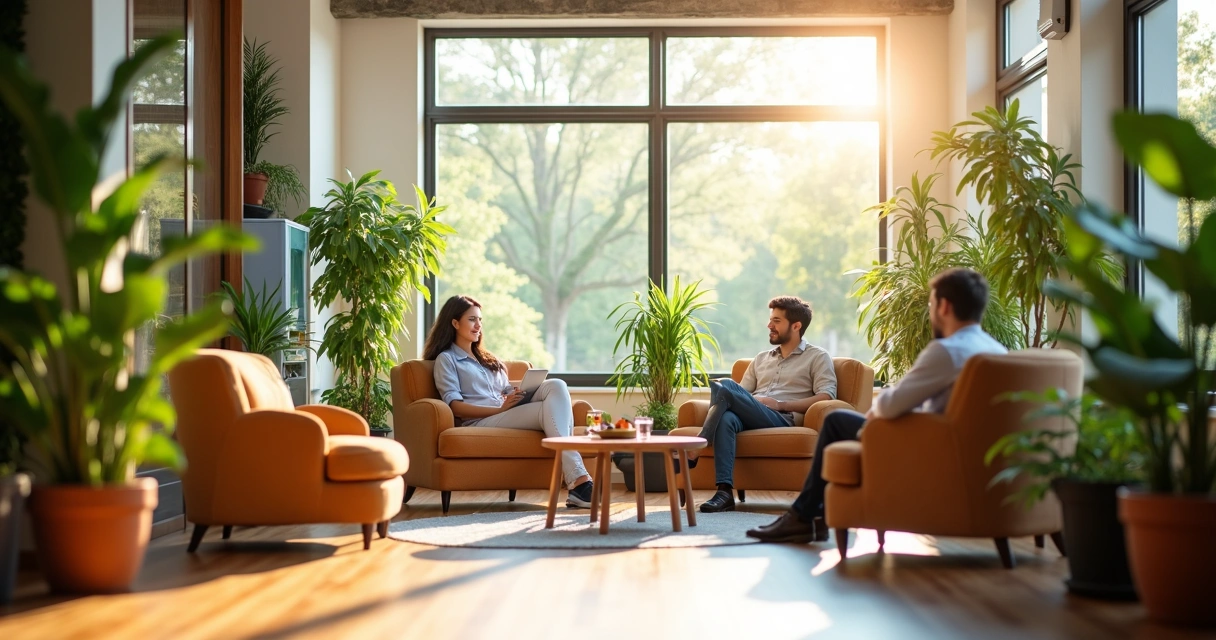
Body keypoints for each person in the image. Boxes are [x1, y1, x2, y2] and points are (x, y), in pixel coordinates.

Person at [747, 268, 1008, 543]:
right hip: (964, 449)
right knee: (844, 421)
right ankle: (809, 517)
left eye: (931, 304)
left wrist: (877, 412)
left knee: (837, 421)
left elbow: (892, 405)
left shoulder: (946, 351)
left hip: (931, 446)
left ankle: (802, 517)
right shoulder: (995, 350)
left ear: (944, 306)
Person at [425, 295, 595, 508]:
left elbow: (504, 390)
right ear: (455, 323)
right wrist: (499, 408)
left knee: (557, 385)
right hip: (480, 421)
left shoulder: (489, 359)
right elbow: (455, 407)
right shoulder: (447, 359)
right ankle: (579, 481)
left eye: (480, 320)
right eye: (472, 320)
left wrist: (516, 393)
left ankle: (578, 483)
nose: (478, 325)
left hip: (504, 412)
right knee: (547, 410)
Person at [692, 296, 838, 513]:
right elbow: (735, 394)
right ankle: (724, 492)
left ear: (796, 326)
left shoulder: (817, 357)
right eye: (770, 320)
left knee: (725, 385)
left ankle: (700, 443)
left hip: (782, 418)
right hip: (752, 414)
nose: (769, 325)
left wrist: (780, 404)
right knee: (727, 416)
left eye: (777, 321)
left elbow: (826, 397)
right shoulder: (761, 358)